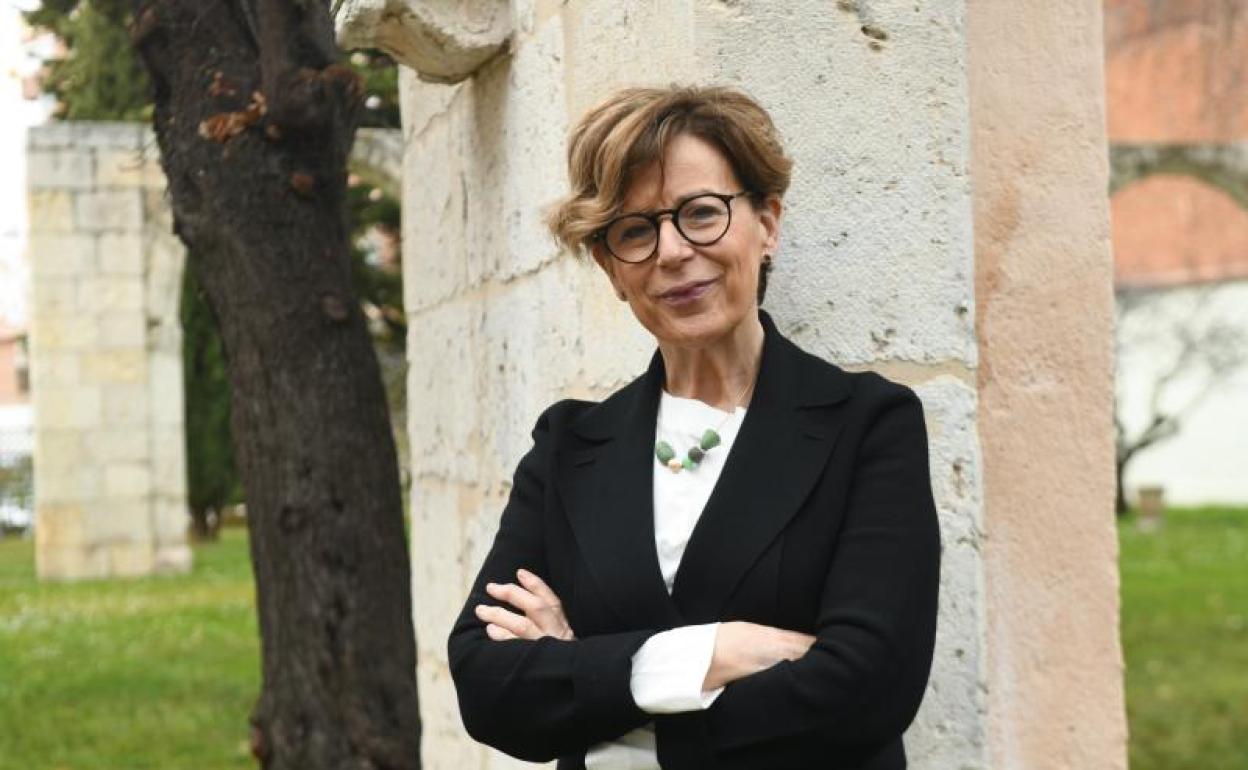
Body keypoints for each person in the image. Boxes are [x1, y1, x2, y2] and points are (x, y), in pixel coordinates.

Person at [447, 84, 941, 770]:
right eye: (634, 231)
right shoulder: (569, 446)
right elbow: (485, 683)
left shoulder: (866, 426)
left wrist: (593, 694)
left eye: (702, 213)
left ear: (766, 223)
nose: (672, 252)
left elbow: (871, 688)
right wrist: (713, 655)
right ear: (610, 269)